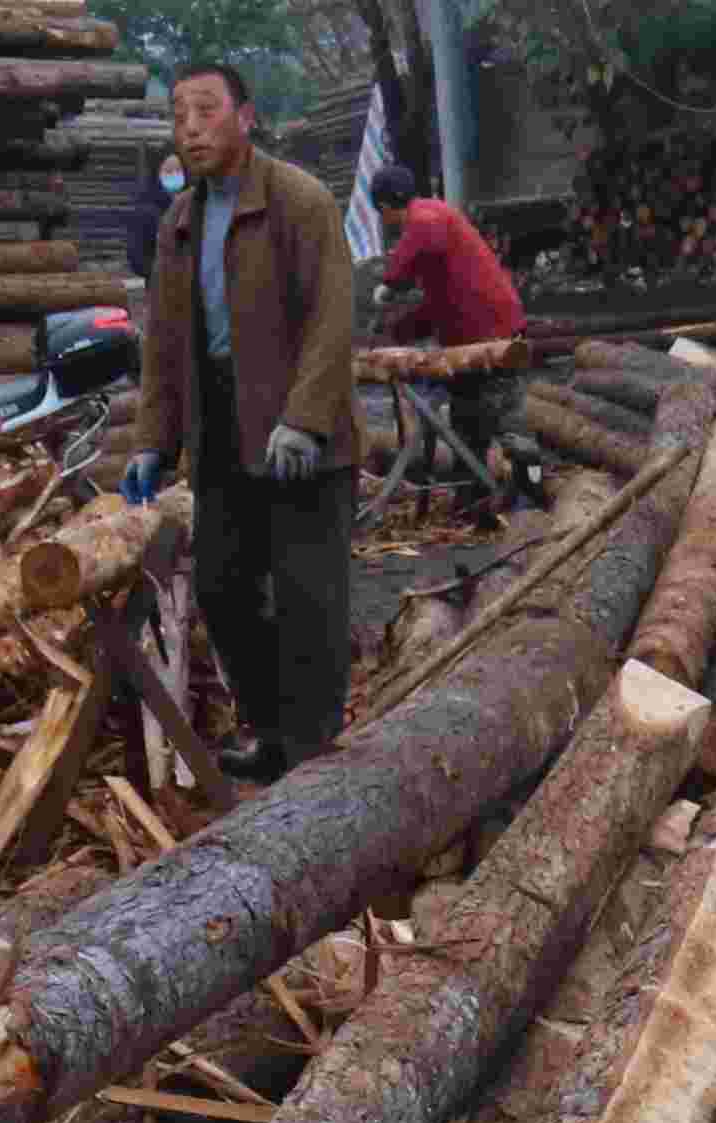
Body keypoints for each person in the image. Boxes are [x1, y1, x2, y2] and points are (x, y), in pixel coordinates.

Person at [132, 58, 360, 781]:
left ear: (247, 117)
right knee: (223, 587)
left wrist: (305, 419)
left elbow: (332, 317)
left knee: (307, 596)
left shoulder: (299, 201)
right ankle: (269, 728)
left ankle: (313, 751)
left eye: (205, 110)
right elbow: (165, 344)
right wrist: (152, 443)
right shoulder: (179, 221)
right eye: (179, 116)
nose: (191, 129)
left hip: (301, 436)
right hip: (223, 430)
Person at [365, 167, 532, 520]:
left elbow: (415, 250)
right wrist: (399, 330)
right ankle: (474, 501)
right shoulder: (438, 231)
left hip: (491, 341)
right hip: (491, 332)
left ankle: (525, 496)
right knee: (471, 422)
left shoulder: (427, 217)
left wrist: (390, 283)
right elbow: (438, 302)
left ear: (384, 206)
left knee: (500, 421)